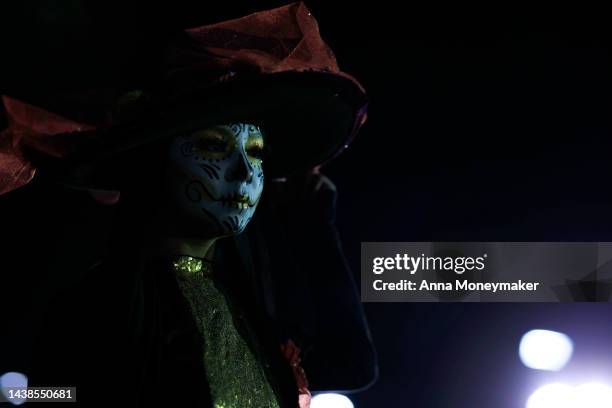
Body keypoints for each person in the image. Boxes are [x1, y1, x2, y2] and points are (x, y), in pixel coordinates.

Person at [0, 3, 376, 407]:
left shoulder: (249, 309)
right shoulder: (91, 311)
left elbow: (350, 364)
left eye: (256, 152)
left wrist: (315, 221)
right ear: (156, 161)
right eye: (213, 146)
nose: (245, 172)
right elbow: (52, 394)